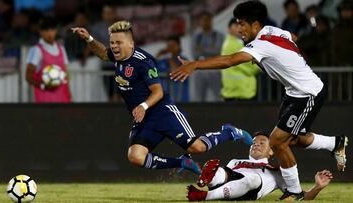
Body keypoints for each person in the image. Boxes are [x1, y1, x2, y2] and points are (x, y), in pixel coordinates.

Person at [170, 1, 347, 200]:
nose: (238, 29)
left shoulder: (260, 45)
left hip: (308, 93)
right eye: (237, 24)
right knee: (292, 139)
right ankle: (335, 143)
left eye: (242, 24)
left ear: (255, 25)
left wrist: (195, 65)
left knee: (278, 142)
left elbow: (229, 61)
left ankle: (295, 192)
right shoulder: (271, 30)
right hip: (293, 93)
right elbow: (293, 38)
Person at [72, 21, 253, 174]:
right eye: (112, 43)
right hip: (144, 117)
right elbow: (103, 53)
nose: (114, 47)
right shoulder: (118, 57)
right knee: (135, 157)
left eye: (118, 43)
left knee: (196, 147)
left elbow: (157, 91)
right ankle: (181, 162)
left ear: (131, 43)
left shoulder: (144, 61)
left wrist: (143, 106)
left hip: (161, 111)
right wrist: (89, 38)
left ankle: (228, 132)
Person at [187, 132, 333, 201]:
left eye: (262, 142)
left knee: (254, 179)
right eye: (254, 142)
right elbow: (227, 175)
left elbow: (302, 197)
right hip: (227, 187)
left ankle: (205, 195)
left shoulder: (278, 172)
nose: (256, 144)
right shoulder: (235, 161)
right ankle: (208, 179)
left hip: (250, 191)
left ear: (271, 150)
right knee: (219, 169)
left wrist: (317, 187)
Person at [26, 16, 71, 103]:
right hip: (45, 100)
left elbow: (66, 74)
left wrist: (70, 95)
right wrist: (43, 86)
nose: (49, 33)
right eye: (46, 30)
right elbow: (28, 77)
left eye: (52, 30)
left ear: (56, 30)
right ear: (41, 32)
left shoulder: (61, 49)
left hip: (63, 98)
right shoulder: (36, 50)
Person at [220, 17, 260, 101]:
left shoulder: (232, 43)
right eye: (236, 26)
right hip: (241, 92)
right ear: (229, 29)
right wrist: (258, 64)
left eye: (241, 25)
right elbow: (251, 68)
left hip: (234, 91)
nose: (239, 28)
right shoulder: (234, 45)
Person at [191, 11, 224, 102]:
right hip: (200, 70)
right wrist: (210, 49)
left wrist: (203, 49)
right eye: (203, 20)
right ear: (200, 22)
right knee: (199, 98)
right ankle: (199, 116)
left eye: (208, 20)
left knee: (218, 96)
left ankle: (221, 116)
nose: (205, 22)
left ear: (211, 21)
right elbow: (195, 54)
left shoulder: (218, 35)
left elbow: (218, 51)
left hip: (215, 70)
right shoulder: (196, 37)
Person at [156, 35, 189, 102]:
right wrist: (158, 55)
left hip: (181, 101)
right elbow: (151, 72)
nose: (170, 49)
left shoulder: (184, 60)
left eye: (173, 46)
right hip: (165, 101)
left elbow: (176, 72)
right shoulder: (162, 60)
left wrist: (170, 57)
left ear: (179, 46)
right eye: (169, 46)